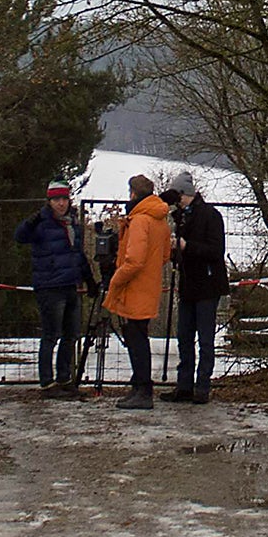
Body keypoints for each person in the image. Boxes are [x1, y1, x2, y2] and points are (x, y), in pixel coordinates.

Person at [103, 172, 173, 410]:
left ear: (133, 193)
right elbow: (165, 255)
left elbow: (134, 260)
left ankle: (142, 389)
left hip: (134, 288)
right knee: (139, 336)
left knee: (136, 339)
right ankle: (139, 387)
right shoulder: (160, 219)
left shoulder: (140, 220)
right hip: (149, 286)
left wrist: (116, 280)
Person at [13, 181, 91, 394]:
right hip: (50, 286)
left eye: (64, 199)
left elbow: (77, 254)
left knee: (71, 334)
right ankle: (47, 382)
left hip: (70, 285)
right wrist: (31, 222)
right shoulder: (41, 223)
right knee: (51, 335)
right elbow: (20, 236)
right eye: (57, 200)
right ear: (49, 201)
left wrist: (88, 278)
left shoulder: (72, 223)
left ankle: (64, 379)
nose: (61, 203)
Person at [165, 168, 229, 404]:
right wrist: (175, 252)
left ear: (185, 193)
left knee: (204, 339)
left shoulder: (210, 216)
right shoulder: (181, 218)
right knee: (184, 337)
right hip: (188, 284)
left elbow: (216, 251)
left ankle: (202, 386)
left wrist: (186, 246)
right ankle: (184, 386)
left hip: (207, 285)